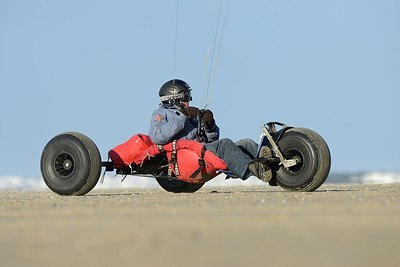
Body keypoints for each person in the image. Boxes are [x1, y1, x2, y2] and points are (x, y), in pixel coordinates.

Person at [148, 79, 272, 182]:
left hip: (201, 151)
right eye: (187, 96)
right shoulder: (161, 114)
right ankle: (255, 169)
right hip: (184, 158)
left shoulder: (192, 115)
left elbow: (212, 141)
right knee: (224, 144)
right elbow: (157, 137)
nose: (189, 100)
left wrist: (210, 125)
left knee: (247, 143)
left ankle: (273, 163)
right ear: (175, 98)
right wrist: (181, 116)